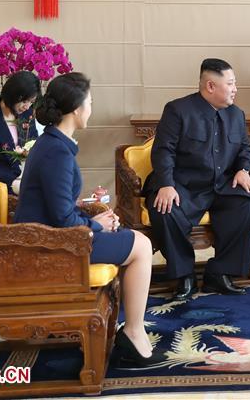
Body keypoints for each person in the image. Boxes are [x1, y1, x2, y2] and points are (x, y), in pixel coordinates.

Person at [14, 72, 160, 366]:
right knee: (142, 246)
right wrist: (97, 225)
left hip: (50, 236)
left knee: (137, 241)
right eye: (90, 102)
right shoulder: (56, 151)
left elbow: (59, 207)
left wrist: (91, 215)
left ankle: (129, 327)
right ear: (77, 109)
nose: (91, 108)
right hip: (51, 246)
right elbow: (63, 220)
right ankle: (132, 331)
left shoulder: (53, 144)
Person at [142, 58, 250, 300]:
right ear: (210, 86)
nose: (235, 89)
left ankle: (220, 273)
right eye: (231, 84)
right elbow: (163, 150)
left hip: (221, 185)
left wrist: (243, 169)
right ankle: (184, 275)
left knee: (246, 203)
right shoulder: (177, 110)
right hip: (183, 184)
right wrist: (166, 184)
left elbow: (244, 148)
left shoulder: (237, 114)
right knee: (164, 209)